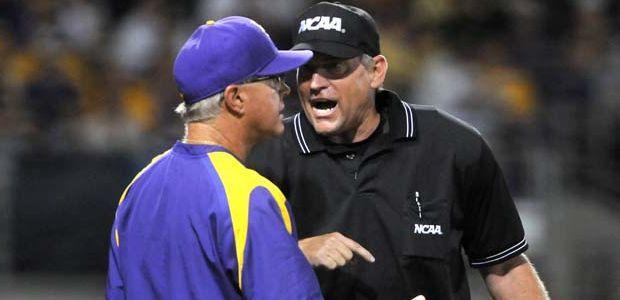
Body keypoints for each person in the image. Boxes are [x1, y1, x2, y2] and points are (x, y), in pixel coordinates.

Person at [247, 2, 549, 299]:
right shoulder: (263, 155)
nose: (315, 83)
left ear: (376, 72)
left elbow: (505, 267)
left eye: (334, 68)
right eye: (306, 70)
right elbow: (224, 269)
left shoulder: (452, 147)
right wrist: (294, 253)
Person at [106, 16, 323, 299]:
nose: (285, 91)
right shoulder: (249, 197)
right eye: (273, 81)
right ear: (236, 98)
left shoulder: (138, 187)